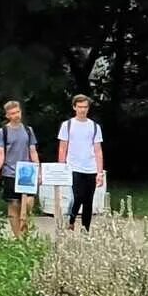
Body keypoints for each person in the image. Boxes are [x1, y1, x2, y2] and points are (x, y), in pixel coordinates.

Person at [0, 99, 39, 240]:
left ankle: (24, 228)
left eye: (18, 112)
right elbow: (1, 153)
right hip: (10, 171)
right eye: (12, 113)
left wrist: (38, 169)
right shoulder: (3, 132)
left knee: (29, 202)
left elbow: (33, 151)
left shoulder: (28, 130)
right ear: (7, 115)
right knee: (14, 203)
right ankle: (18, 237)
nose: (16, 115)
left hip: (27, 171)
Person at [57, 93, 106, 231]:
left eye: (85, 107)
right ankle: (71, 219)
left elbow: (98, 150)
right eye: (80, 107)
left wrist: (99, 172)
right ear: (74, 107)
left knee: (88, 200)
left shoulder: (94, 127)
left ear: (88, 108)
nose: (82, 110)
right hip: (73, 166)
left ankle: (86, 229)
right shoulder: (67, 125)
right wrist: (62, 167)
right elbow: (63, 147)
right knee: (77, 196)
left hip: (90, 167)